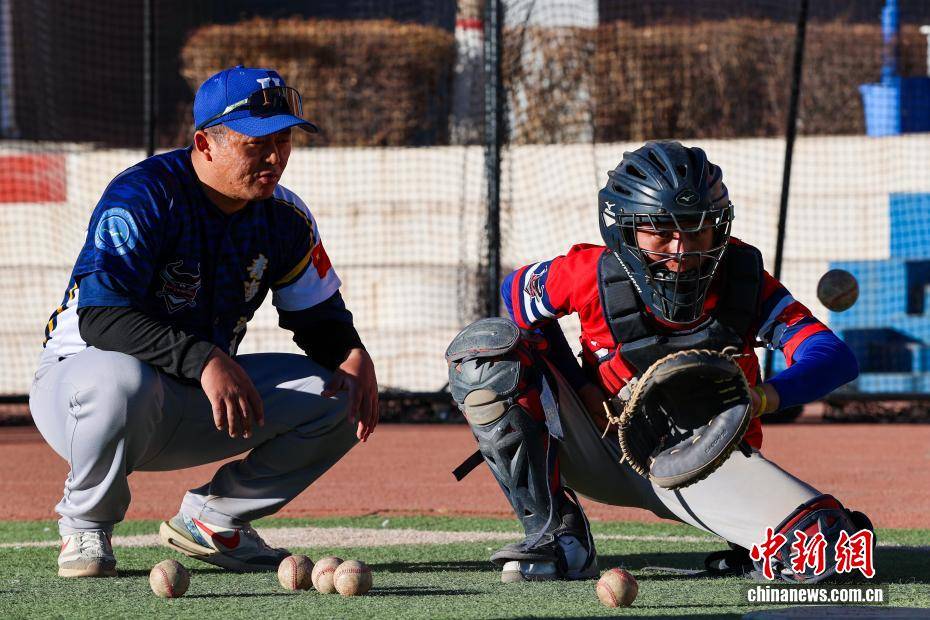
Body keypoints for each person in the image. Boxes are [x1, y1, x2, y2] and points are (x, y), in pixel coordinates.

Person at [445, 141, 872, 583]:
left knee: (831, 551)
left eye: (695, 228)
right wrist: (583, 386)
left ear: (719, 228)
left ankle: (750, 538)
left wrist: (761, 397)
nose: (681, 249)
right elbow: (515, 298)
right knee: (484, 353)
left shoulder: (743, 281)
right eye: (660, 230)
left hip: (703, 463)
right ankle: (557, 535)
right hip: (600, 446)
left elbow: (832, 357)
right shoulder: (588, 273)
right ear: (626, 231)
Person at [30, 66, 378, 578]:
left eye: (283, 140)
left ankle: (215, 520)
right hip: (85, 392)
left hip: (192, 394)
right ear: (205, 143)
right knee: (121, 378)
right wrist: (205, 357)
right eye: (257, 142)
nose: (275, 156)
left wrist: (352, 354)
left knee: (342, 396)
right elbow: (101, 318)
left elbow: (319, 318)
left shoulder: (284, 216)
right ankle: (86, 523)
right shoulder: (144, 195)